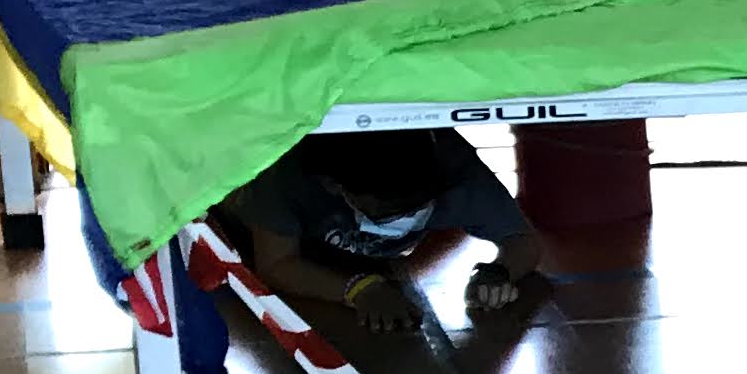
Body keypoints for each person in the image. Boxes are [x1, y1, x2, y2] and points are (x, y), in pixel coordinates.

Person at [210, 129, 542, 332]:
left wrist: (498, 273)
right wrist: (359, 289)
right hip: (238, 213)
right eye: (387, 211)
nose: (406, 215)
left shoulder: (456, 173)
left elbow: (523, 240)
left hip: (397, 253)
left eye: (418, 204)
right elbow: (276, 264)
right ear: (335, 187)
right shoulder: (284, 177)